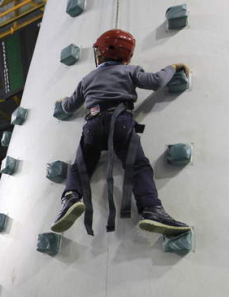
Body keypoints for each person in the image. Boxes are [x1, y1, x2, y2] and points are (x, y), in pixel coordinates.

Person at [51, 29, 191, 236]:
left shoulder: (87, 79)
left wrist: (63, 102)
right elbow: (155, 82)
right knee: (138, 166)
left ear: (101, 53)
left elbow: (69, 107)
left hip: (92, 123)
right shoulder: (130, 71)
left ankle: (70, 197)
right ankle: (151, 209)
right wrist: (173, 67)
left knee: (80, 166)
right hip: (120, 121)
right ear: (128, 55)